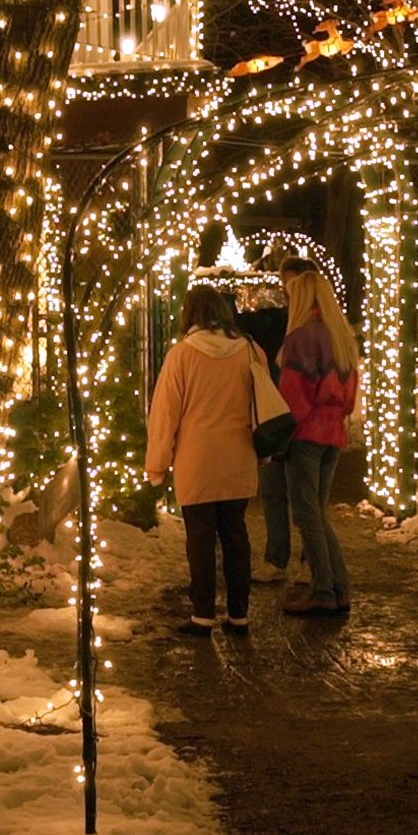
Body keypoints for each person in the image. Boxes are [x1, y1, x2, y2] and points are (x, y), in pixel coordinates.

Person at [145, 287, 263, 637]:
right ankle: (239, 614)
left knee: (199, 538)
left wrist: (157, 464)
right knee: (235, 535)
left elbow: (165, 416)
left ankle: (203, 615)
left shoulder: (181, 356)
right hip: (239, 455)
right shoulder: (250, 351)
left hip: (196, 460)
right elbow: (263, 405)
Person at [234, 255, 320, 585]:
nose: (286, 290)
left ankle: (307, 559)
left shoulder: (313, 327)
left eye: (293, 284)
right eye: (284, 283)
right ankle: (277, 557)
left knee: (304, 496)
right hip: (274, 415)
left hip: (303, 419)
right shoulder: (278, 320)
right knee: (272, 489)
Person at [278, 270, 360, 615]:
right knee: (318, 513)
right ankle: (338, 587)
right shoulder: (342, 337)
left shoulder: (301, 338)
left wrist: (280, 434)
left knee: (306, 513)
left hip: (307, 432)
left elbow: (293, 393)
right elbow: (350, 395)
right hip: (334, 432)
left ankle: (324, 590)